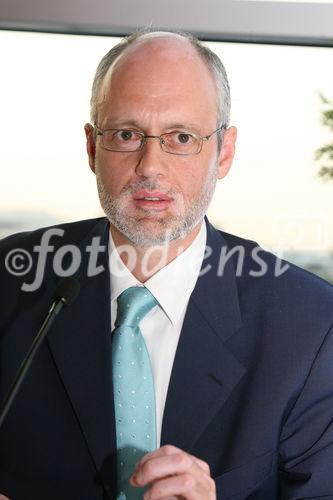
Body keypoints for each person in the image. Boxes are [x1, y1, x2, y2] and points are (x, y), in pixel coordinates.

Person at [0, 29, 333, 500]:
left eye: (181, 137)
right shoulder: (10, 282)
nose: (150, 166)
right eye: (127, 134)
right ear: (93, 147)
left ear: (225, 152)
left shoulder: (310, 326)